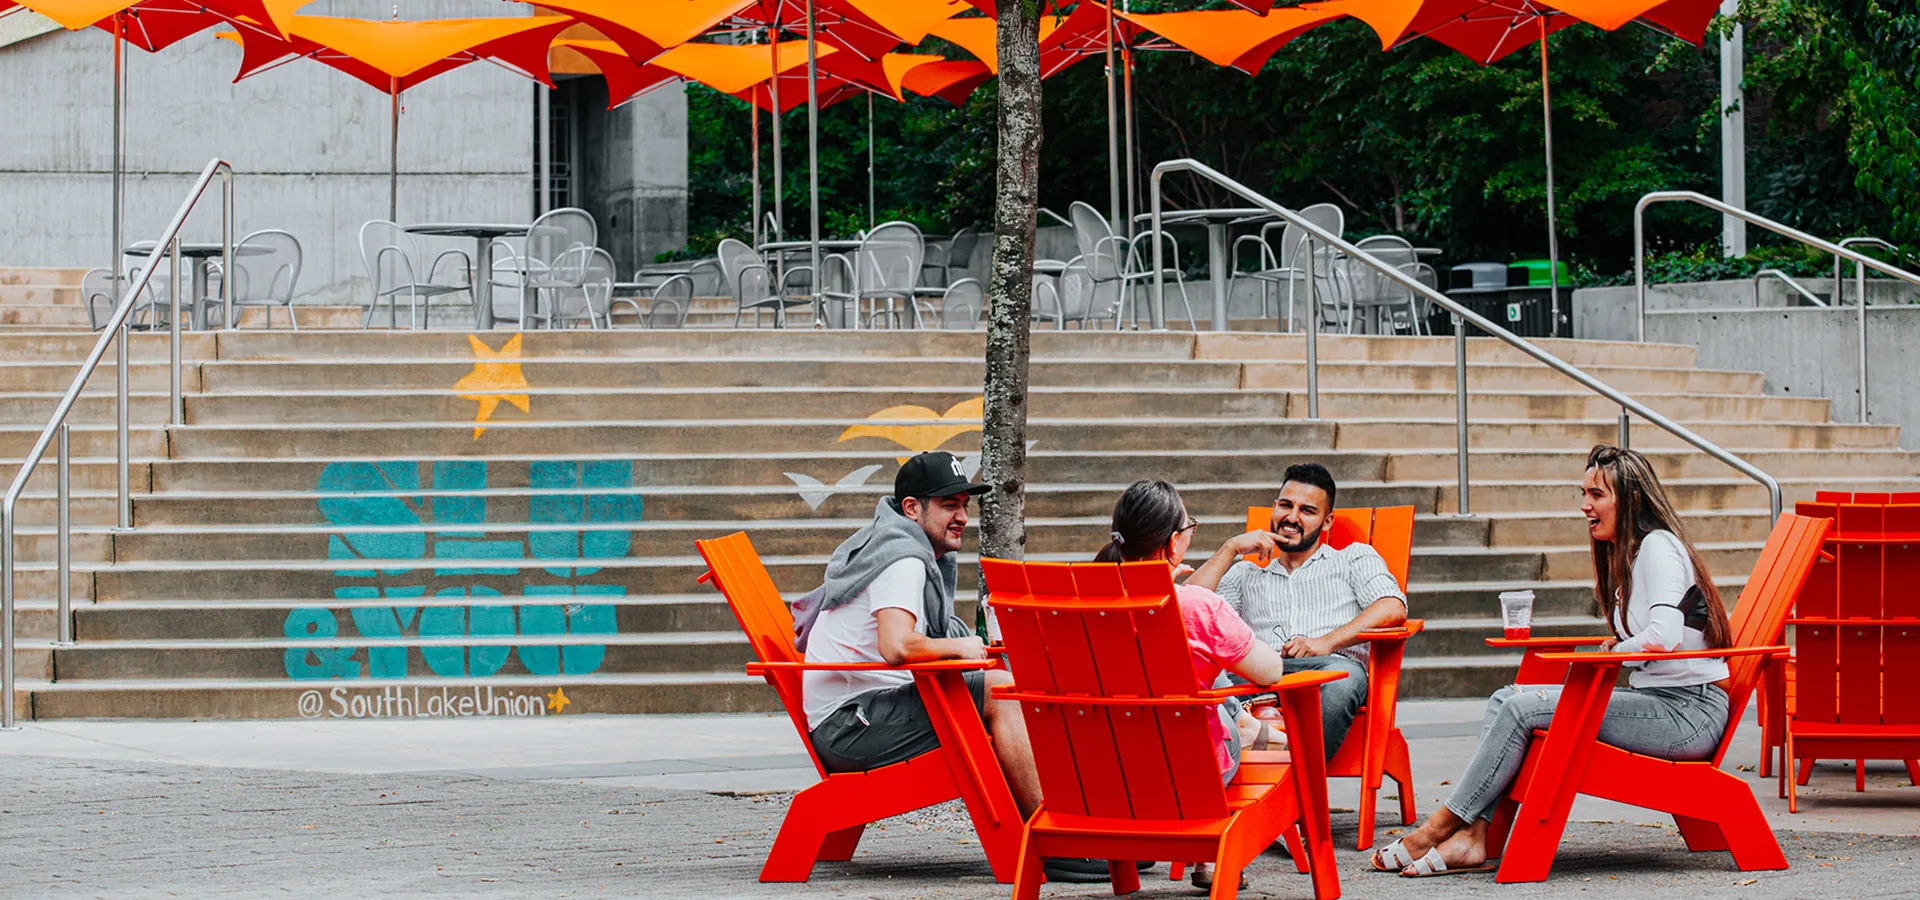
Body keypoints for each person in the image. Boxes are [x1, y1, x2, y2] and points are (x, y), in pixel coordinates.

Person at [1372, 445, 1735, 878]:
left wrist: (1618, 651)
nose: (1586, 506)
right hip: (1663, 704)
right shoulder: (1632, 556)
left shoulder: (1657, 546)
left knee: (1521, 706)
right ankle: (1472, 836)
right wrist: (1617, 643)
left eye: (1597, 495)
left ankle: (1440, 826)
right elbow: (1655, 633)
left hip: (1687, 713)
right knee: (1506, 698)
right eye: (1583, 494)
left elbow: (1664, 636)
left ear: (1631, 498)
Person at [797, 450, 1042, 816]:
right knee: (1000, 692)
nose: (961, 517)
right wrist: (959, 646)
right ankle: (1057, 836)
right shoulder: (903, 559)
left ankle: (1064, 827)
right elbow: (896, 646)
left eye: (964, 505)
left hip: (859, 717)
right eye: (948, 505)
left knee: (1002, 684)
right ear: (912, 508)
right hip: (851, 728)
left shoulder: (892, 545)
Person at [1094, 479, 1297, 890]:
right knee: (1217, 720)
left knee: (1200, 692)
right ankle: (1213, 855)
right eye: (1189, 529)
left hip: (1104, 775)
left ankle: (1245, 727)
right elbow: (1271, 672)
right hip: (1190, 776)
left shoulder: (1082, 602)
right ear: (1172, 544)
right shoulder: (1198, 606)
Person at [1186, 462, 1408, 762]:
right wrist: (1230, 549)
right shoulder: (1245, 574)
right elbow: (1185, 608)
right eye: (1286, 506)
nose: (1291, 518)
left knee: (1344, 680)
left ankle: (1291, 784)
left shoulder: (1353, 558)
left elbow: (1392, 606)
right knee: (1202, 681)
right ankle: (1282, 774)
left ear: (1327, 522)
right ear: (1274, 508)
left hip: (1327, 673)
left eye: (1307, 510)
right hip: (1257, 678)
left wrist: (1325, 642)